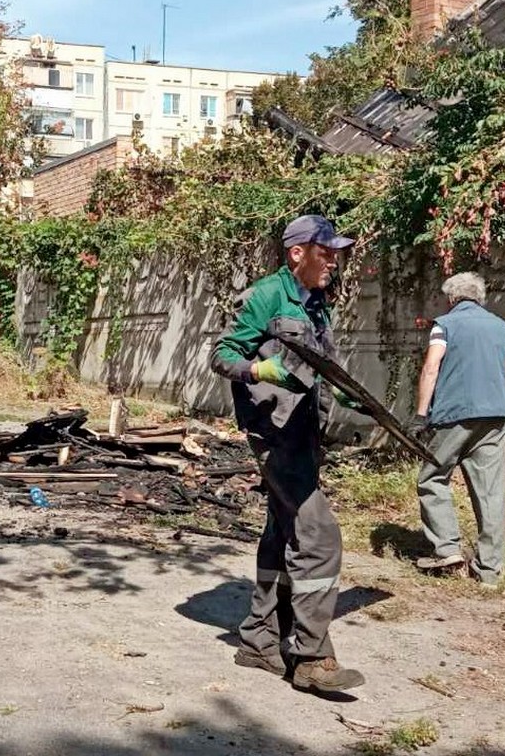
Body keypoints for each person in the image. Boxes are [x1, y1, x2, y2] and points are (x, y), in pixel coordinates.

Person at [210, 214, 367, 693]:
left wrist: (344, 394)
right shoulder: (264, 296)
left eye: (336, 253)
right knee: (318, 536)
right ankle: (311, 655)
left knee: (282, 529)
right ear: (298, 252)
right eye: (327, 252)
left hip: (303, 431)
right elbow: (222, 355)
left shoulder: (317, 305)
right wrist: (260, 372)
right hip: (272, 432)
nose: (334, 262)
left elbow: (323, 366)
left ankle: (260, 639)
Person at [410, 272, 505, 587]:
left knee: (432, 477)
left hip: (455, 414)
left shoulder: (445, 325)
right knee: (491, 491)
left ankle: (446, 549)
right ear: (479, 297)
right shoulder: (502, 328)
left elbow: (431, 367)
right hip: (496, 416)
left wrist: (420, 414)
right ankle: (489, 572)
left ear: (452, 298)